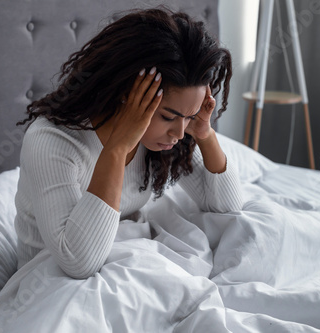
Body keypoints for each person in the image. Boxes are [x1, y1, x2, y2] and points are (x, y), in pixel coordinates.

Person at [14, 7, 243, 279]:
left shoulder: (161, 138)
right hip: (50, 280)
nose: (180, 133)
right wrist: (117, 150)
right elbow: (79, 262)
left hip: (124, 260)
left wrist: (204, 134)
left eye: (189, 116)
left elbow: (227, 207)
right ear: (128, 94)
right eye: (169, 116)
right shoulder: (53, 141)